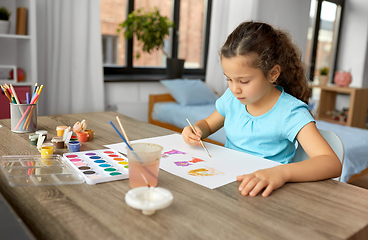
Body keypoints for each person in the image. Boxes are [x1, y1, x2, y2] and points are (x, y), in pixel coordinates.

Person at [182, 21, 342, 197]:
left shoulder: (290, 112)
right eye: (229, 79)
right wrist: (196, 130)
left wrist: (281, 172)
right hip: (228, 184)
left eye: (244, 81)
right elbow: (207, 124)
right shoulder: (232, 99)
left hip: (265, 194)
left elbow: (331, 163)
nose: (235, 89)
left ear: (273, 74)